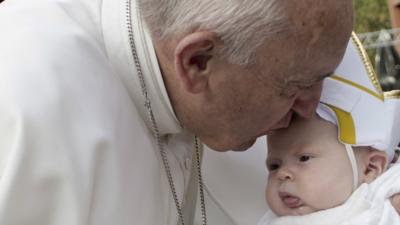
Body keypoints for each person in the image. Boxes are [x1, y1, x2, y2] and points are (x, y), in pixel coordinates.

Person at [0, 0, 354, 224]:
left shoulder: (278, 46)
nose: (310, 109)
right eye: (293, 87)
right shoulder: (22, 109)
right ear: (197, 62)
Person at [258, 37, 400, 225]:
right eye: (274, 166)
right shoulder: (272, 221)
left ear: (370, 167)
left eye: (304, 158)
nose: (283, 174)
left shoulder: (382, 197)